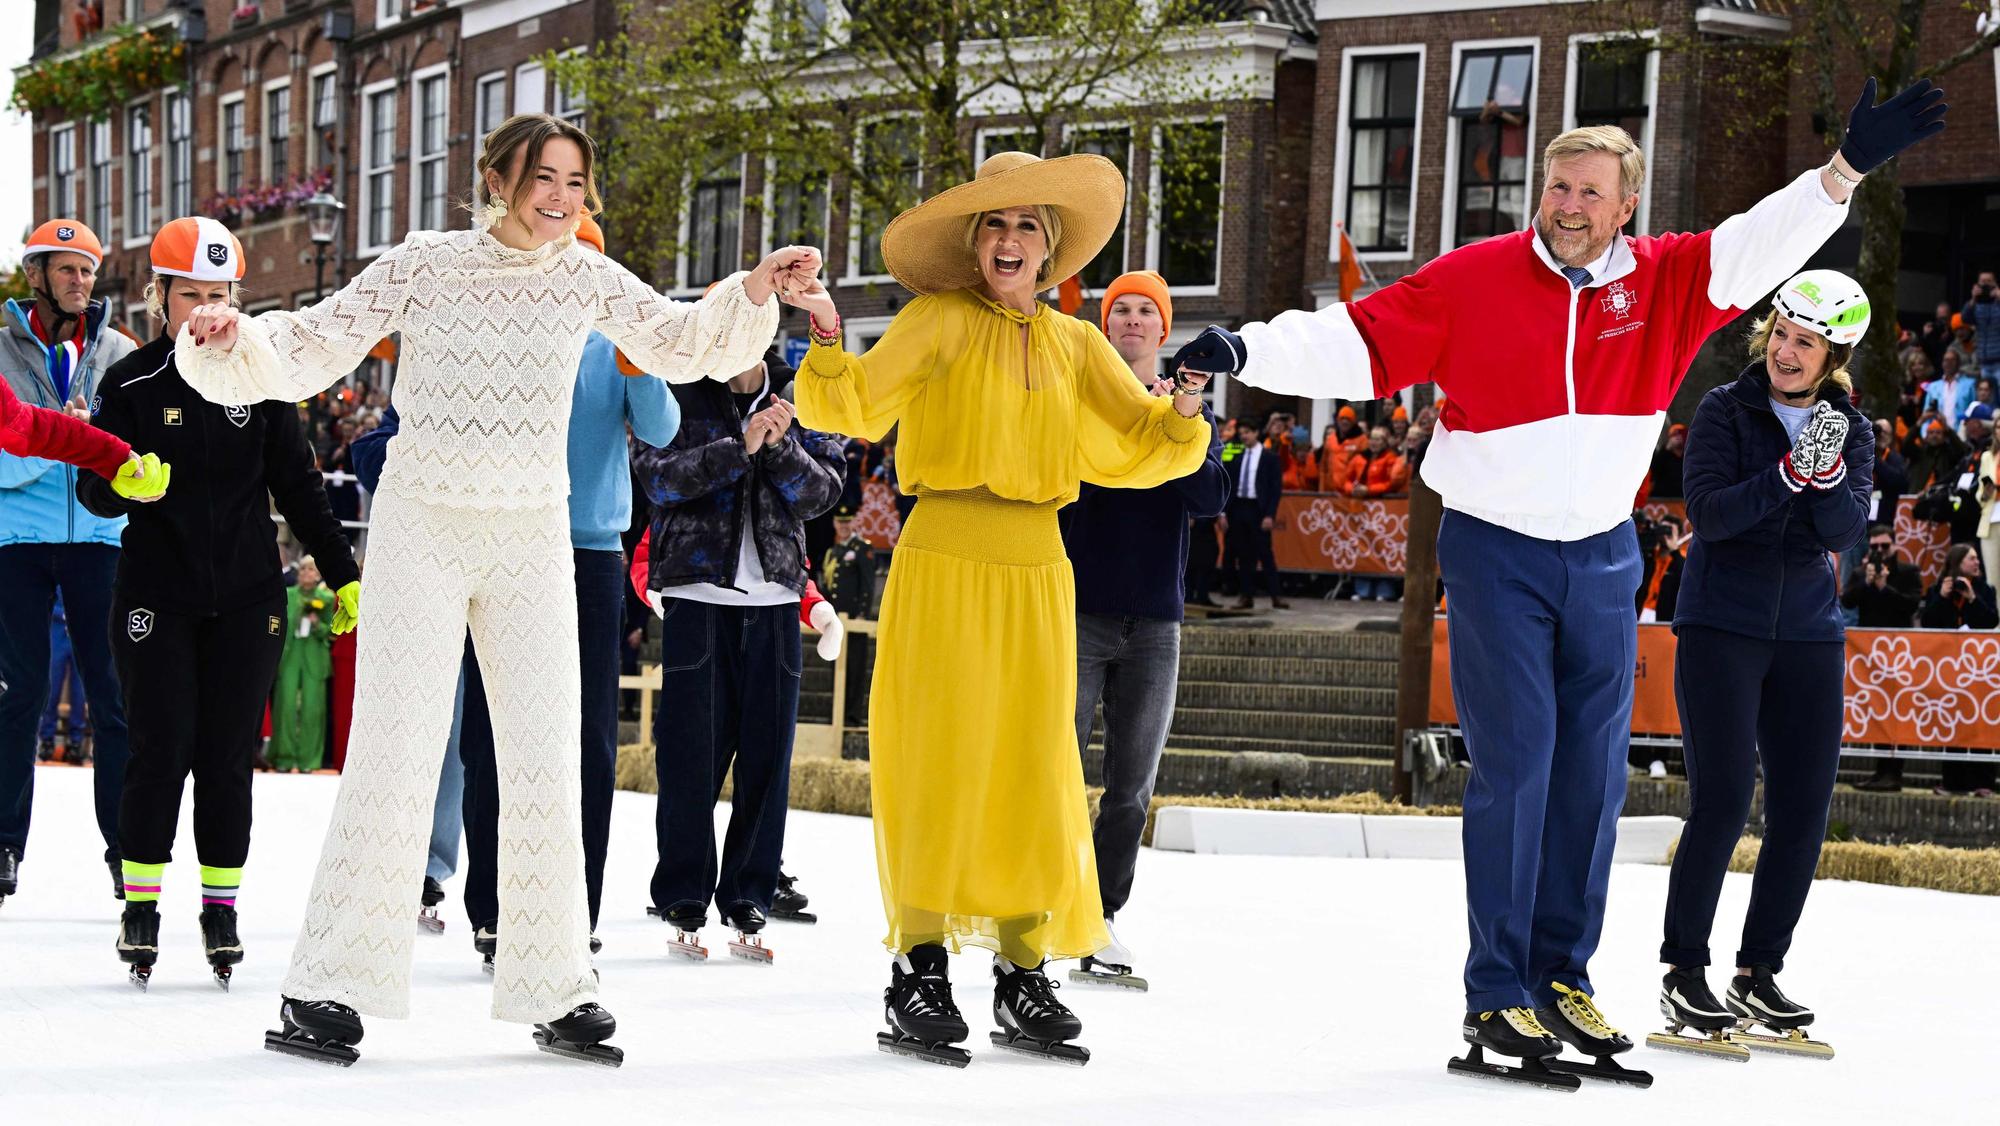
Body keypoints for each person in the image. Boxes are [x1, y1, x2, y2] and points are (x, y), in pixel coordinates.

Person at [1170, 78, 1946, 1083]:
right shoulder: (1476, 276)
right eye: (1556, 187)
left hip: (1603, 552)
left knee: (1593, 778)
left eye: (1590, 192)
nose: (1569, 206)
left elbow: (1758, 243)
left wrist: (1840, 173)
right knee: (1519, 763)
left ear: (1624, 206)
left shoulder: (1664, 282)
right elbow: (1361, 339)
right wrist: (1247, 347)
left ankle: (1558, 978)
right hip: (1495, 547)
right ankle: (1495, 992)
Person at [175, 113, 806, 1065]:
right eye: (543, 176)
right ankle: (327, 986)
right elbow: (314, 342)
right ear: (497, 177)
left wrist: (755, 288)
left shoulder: (587, 276)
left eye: (575, 181)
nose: (560, 195)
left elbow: (678, 342)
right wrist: (234, 334)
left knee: (547, 753)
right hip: (423, 529)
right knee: (397, 748)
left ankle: (559, 985)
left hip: (529, 537)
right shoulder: (426, 262)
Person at [788, 150, 1212, 1065]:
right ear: (974, 243)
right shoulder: (937, 318)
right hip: (942, 555)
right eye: (994, 224)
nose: (1009, 238)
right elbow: (854, 403)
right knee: (940, 758)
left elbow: (1141, 444)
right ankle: (922, 968)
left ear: (1051, 248)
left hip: (1039, 566)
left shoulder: (1076, 345)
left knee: (1034, 766)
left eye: (1027, 225)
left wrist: (1181, 403)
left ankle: (1024, 970)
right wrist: (825, 331)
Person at [76, 216, 360, 989]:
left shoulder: (261, 379)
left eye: (219, 293)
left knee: (228, 760)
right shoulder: (130, 383)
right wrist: (118, 483)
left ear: (238, 299)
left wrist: (344, 575)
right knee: (158, 750)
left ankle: (221, 908)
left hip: (246, 597)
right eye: (190, 293)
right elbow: (91, 486)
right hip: (155, 597)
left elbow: (298, 487)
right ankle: (140, 905)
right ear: (158, 297)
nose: (206, 307)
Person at [1655, 270, 1873, 1060]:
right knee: (1722, 799)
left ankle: (1759, 970)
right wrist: (1783, 476)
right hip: (1722, 623)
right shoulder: (1724, 410)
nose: (1785, 351)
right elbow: (1709, 514)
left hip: (1810, 632)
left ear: (1833, 354)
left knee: (1804, 809)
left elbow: (1846, 531)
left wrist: (1822, 484)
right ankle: (1684, 968)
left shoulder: (1852, 428)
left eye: (1804, 343)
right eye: (1781, 332)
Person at [455, 213, 683, 967]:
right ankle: (489, 907)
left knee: (586, 738)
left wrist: (639, 362)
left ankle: (575, 907)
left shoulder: (610, 348)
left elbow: (659, 427)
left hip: (589, 555)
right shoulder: (496, 337)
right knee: (492, 730)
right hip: (504, 547)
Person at [633, 344, 843, 962]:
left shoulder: (805, 399)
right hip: (697, 593)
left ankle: (751, 892)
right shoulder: (677, 393)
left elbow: (822, 493)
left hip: (777, 596)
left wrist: (779, 446)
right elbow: (658, 478)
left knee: (767, 756)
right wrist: (740, 446)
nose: (733, 345)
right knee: (688, 755)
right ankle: (682, 894)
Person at [1061, 270, 1228, 989]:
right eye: (1120, 310)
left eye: (1144, 312)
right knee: (1056, 772)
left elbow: (1211, 496)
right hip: (1077, 609)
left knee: (1131, 785)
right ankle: (1040, 907)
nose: (1131, 320)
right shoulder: (1077, 402)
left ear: (1163, 331)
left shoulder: (1187, 413)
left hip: (1157, 618)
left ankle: (1101, 916)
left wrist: (1178, 421)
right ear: (1105, 326)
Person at [0, 218, 144, 907]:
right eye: (65, 270)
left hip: (100, 541)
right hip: (16, 545)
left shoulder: (124, 353)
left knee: (115, 701)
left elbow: (138, 461)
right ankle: (3, 844)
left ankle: (126, 853)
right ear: (36, 276)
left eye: (87, 270)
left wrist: (96, 454)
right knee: (17, 697)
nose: (80, 282)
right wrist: (64, 443)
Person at [269, 556, 337, 773]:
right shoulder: (288, 595)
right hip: (290, 654)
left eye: (311, 570)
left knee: (312, 708)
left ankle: (309, 760)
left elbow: (332, 632)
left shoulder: (326, 598)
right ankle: (284, 758)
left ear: (318, 575)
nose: (307, 573)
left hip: (314, 655)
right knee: (285, 705)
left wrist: (317, 625)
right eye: (304, 569)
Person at [1224, 416, 1286, 610]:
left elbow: (1275, 489)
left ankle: (1276, 595)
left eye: (1247, 433)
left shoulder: (1269, 457)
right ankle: (1246, 595)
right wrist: (1224, 513)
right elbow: (1229, 484)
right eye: (1241, 434)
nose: (1244, 437)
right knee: (1243, 555)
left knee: (1265, 553)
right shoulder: (1237, 455)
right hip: (1239, 507)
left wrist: (1270, 514)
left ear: (1256, 433)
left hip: (1258, 509)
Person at [1962, 270, 2000, 374]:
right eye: (1983, 281)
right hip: (1983, 361)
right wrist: (1973, 299)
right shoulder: (1976, 305)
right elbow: (1965, 318)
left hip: (1999, 360)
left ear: (1995, 283)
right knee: (1985, 390)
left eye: (1989, 281)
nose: (1986, 284)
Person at [1649, 424, 1688, 498]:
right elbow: (1654, 472)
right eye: (1674, 435)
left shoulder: (1688, 457)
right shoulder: (1664, 455)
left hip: (1682, 500)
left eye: (1681, 434)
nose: (1678, 438)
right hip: (1663, 500)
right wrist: (1667, 448)